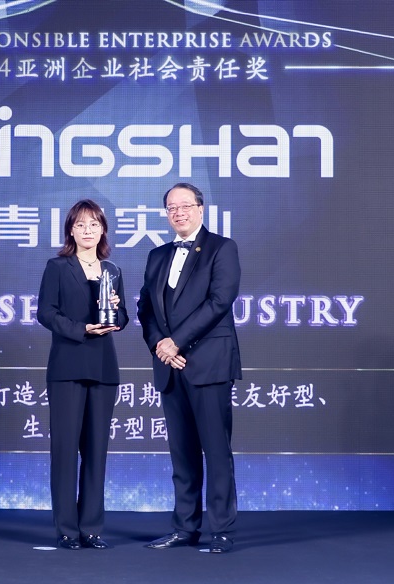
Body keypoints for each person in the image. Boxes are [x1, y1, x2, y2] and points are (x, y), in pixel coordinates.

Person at [137, 183, 242, 554]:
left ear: (201, 208)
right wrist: (160, 346)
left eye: (185, 205)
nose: (178, 212)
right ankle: (184, 527)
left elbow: (219, 301)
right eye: (171, 207)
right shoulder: (157, 255)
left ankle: (222, 530)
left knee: (216, 451)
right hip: (170, 367)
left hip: (208, 364)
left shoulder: (221, 248)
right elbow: (145, 309)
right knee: (181, 454)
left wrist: (176, 342)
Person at [37, 199, 129, 550]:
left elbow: (123, 317)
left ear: (103, 229)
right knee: (64, 450)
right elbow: (46, 312)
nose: (87, 230)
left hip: (103, 367)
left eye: (94, 224)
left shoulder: (113, 270)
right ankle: (66, 529)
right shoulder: (58, 267)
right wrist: (81, 329)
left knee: (96, 451)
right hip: (67, 366)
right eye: (80, 225)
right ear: (70, 231)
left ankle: (91, 528)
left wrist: (116, 313)